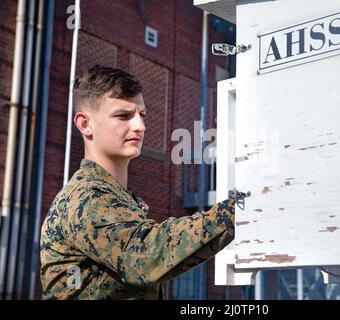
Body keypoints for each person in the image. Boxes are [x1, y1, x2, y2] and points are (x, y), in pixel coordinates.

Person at [40, 65, 236, 300]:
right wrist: (238, 211)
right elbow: (144, 256)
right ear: (85, 124)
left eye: (141, 115)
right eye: (123, 116)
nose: (140, 126)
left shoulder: (115, 197)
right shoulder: (86, 196)